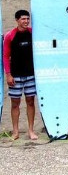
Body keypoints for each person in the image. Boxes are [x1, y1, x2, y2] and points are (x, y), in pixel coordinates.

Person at [3, 10, 38, 140]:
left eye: (27, 19)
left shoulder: (32, 33)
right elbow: (5, 56)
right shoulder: (10, 36)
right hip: (15, 75)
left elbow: (49, 37)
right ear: (17, 20)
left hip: (30, 74)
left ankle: (31, 130)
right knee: (15, 103)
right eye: (23, 19)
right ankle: (15, 132)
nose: (26, 21)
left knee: (30, 102)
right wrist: (8, 75)